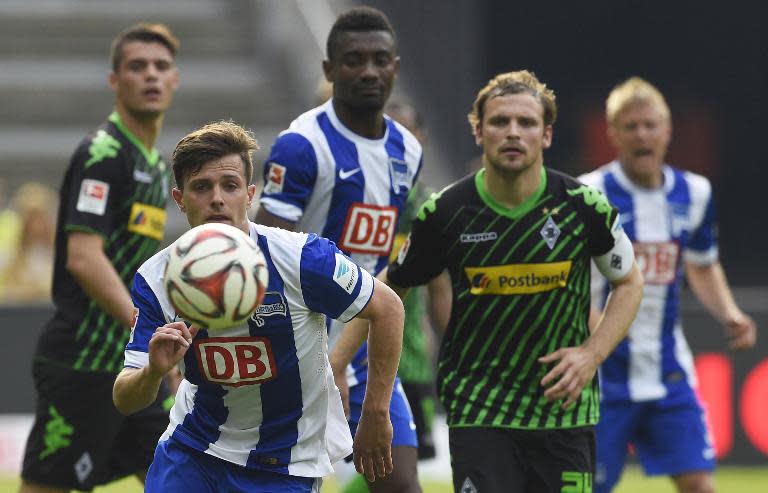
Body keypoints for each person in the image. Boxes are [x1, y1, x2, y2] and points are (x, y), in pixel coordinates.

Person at [336, 70, 646, 493]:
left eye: (527, 123)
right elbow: (386, 289)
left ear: (547, 135)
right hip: (480, 409)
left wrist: (592, 354)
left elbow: (629, 281)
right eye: (500, 122)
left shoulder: (583, 206)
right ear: (479, 132)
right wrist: (335, 363)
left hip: (563, 413)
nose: (513, 132)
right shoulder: (445, 212)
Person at [112, 120, 405, 492]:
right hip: (194, 451)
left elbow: (388, 307)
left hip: (284, 465)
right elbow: (125, 398)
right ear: (180, 198)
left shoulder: (302, 258)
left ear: (249, 194)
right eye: (201, 187)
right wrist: (153, 371)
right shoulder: (157, 279)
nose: (217, 198)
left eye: (229, 186)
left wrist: (377, 413)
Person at [255, 7, 423, 493]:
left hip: (365, 347)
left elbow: (388, 257)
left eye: (379, 59)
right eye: (353, 60)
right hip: (297, 349)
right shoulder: (302, 145)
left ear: (395, 66)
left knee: (401, 485)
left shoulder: (407, 151)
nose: (368, 71)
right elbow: (264, 256)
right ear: (329, 71)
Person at [18, 23, 179, 493]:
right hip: (84, 365)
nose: (150, 75)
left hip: (134, 367)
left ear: (175, 79)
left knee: (182, 476)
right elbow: (84, 259)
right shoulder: (103, 154)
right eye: (137, 66)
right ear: (115, 81)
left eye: (161, 66)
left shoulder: (150, 163)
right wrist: (144, 325)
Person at [578, 77, 757, 493]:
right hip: (602, 374)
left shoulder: (694, 193)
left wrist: (730, 313)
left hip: (668, 371)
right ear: (613, 134)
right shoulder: (590, 193)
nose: (642, 134)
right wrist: (592, 331)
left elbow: (703, 265)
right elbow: (568, 279)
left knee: (700, 485)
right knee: (586, 487)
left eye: (650, 125)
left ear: (668, 130)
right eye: (631, 126)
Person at [0, 182, 57, 303]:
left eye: (41, 217)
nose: (37, 226)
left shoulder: (59, 254)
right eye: (32, 219)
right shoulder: (9, 255)